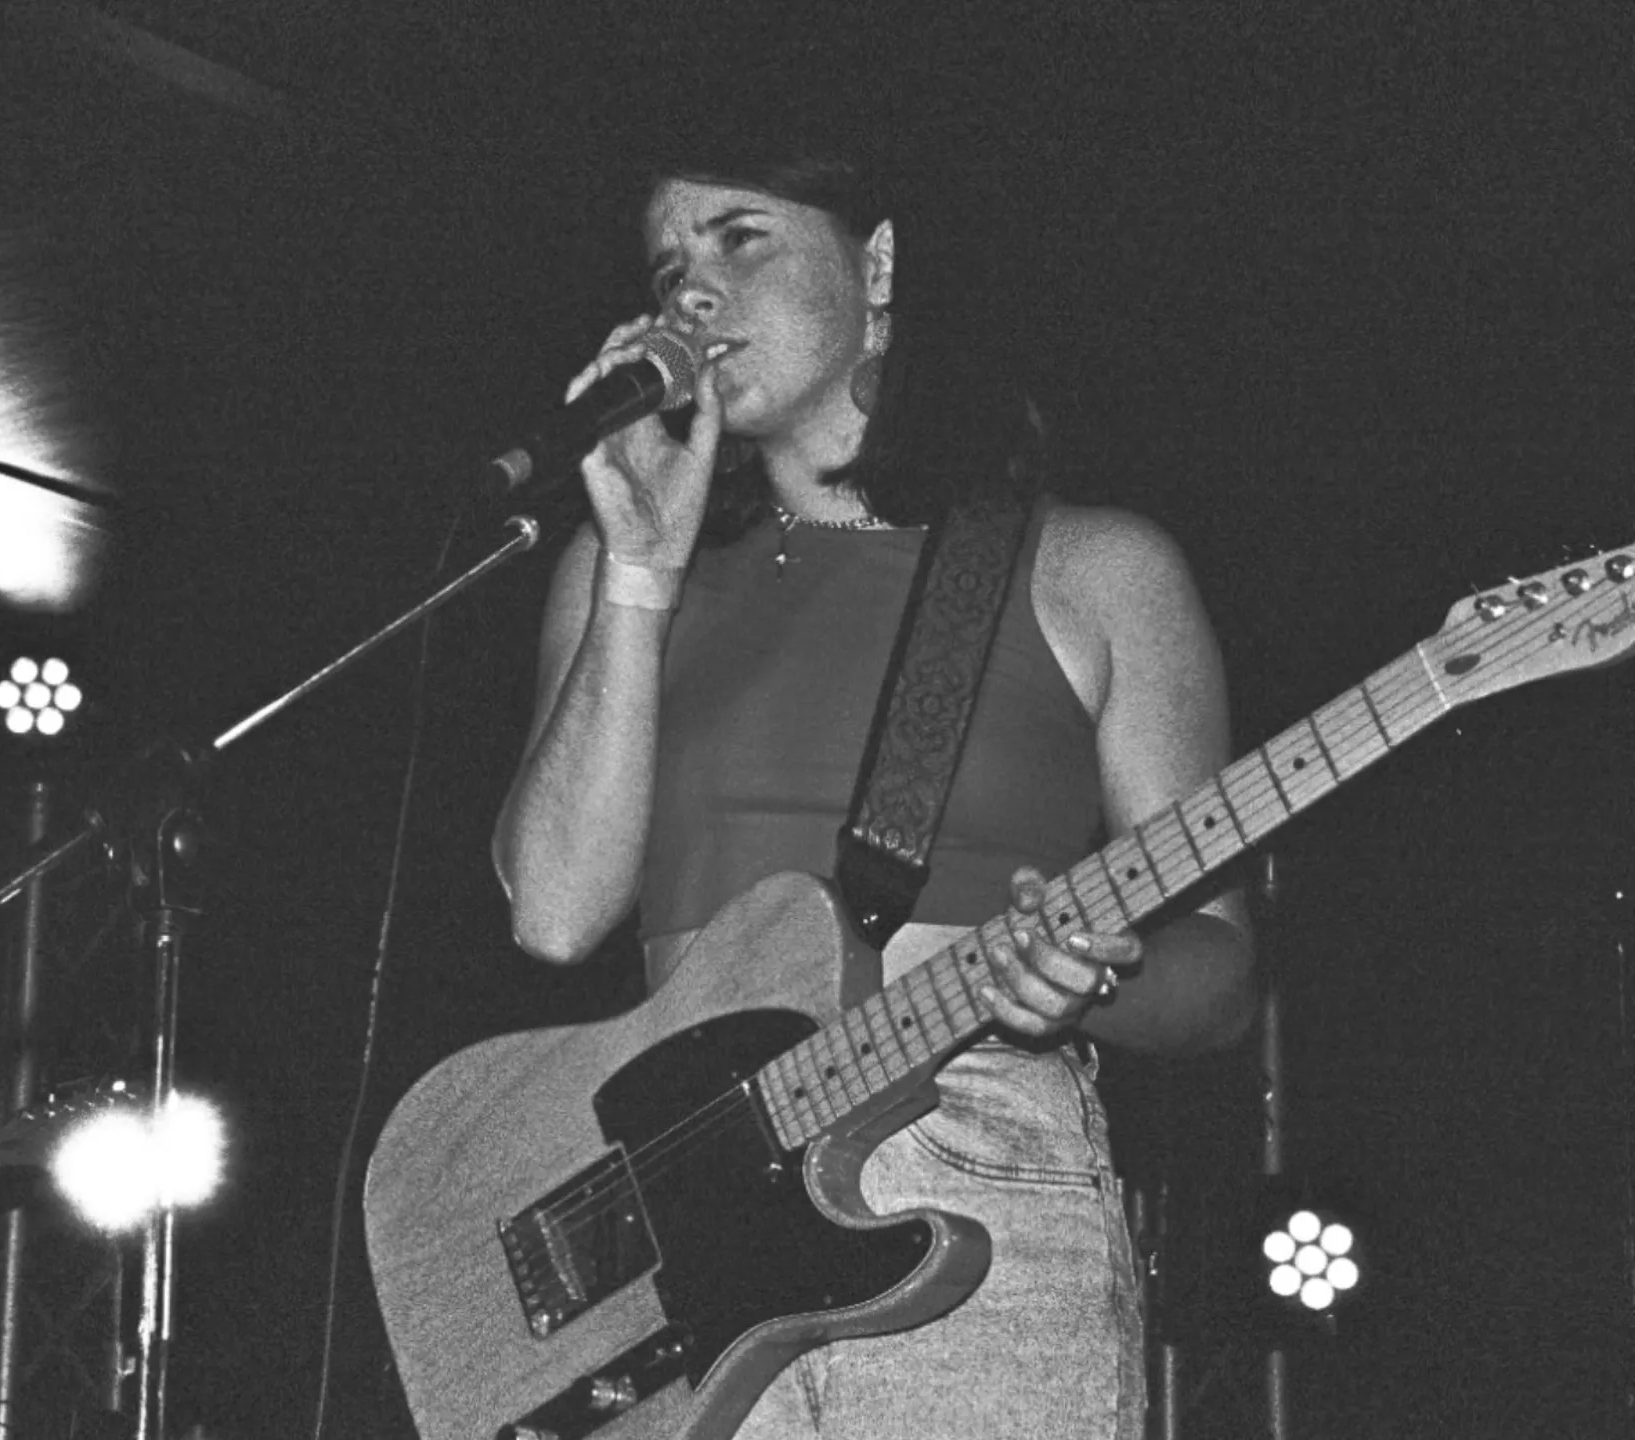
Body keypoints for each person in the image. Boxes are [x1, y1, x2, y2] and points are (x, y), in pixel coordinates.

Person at [492, 124, 1256, 1439]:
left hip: (969, 1163)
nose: (694, 294)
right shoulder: (615, 575)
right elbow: (555, 913)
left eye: (740, 240)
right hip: (685, 1209)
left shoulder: (1095, 567)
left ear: (880, 263)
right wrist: (636, 574)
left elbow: (1226, 972)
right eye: (668, 265)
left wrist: (1099, 970)